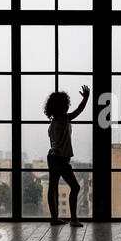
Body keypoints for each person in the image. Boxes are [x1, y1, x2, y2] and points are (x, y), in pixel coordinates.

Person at [44, 86, 90, 227]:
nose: (68, 106)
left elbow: (52, 143)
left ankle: (54, 218)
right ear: (63, 106)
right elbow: (79, 111)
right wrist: (86, 98)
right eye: (67, 104)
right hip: (60, 159)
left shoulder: (52, 124)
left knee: (52, 188)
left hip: (52, 157)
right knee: (75, 187)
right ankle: (74, 219)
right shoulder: (64, 118)